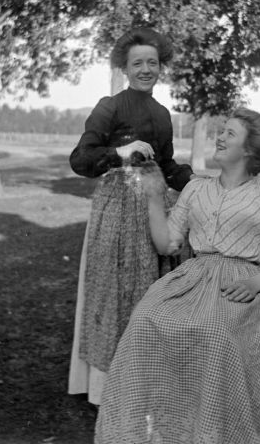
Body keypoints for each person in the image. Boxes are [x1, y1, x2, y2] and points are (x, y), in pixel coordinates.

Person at [94, 108, 260, 444]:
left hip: (245, 283)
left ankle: (214, 433)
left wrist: (255, 283)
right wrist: (153, 196)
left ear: (249, 150)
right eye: (220, 131)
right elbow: (167, 244)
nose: (219, 137)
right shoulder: (195, 190)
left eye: (230, 134)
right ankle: (153, 431)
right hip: (192, 279)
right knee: (145, 318)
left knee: (216, 332)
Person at [68, 27, 194, 407]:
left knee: (150, 291)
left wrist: (200, 186)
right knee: (115, 291)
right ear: (125, 67)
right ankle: (108, 388)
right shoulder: (111, 106)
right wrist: (122, 152)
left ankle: (147, 381)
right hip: (117, 208)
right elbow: (81, 159)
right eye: (137, 63)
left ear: (161, 68)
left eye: (152, 63)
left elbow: (169, 165)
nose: (145, 69)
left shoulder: (161, 113)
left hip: (155, 207)